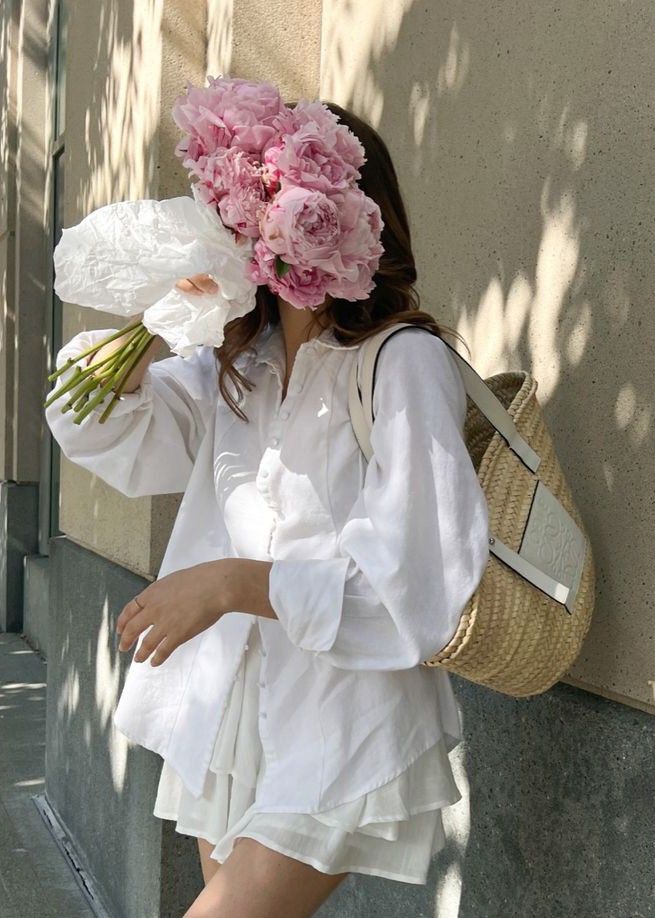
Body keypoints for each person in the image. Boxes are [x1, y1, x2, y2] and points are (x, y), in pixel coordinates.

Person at [45, 102, 490, 918]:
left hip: (344, 722)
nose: (254, 232)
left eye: (263, 211)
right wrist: (174, 308)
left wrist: (228, 584)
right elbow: (92, 420)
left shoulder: (402, 363)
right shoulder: (236, 364)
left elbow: (418, 582)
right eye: (240, 212)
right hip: (226, 711)